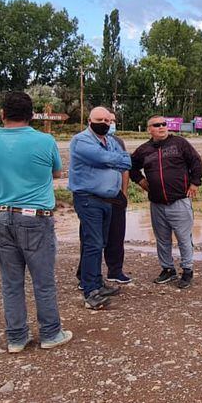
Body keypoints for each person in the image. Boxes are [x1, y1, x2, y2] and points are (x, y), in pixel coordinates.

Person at [0, 91, 72, 353]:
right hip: (35, 216)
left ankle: (16, 337)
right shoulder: (45, 140)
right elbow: (56, 172)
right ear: (31, 115)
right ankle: (51, 333)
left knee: (11, 281)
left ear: (2, 114)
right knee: (43, 279)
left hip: (2, 214)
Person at [130, 115, 202, 289]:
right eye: (157, 125)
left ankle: (187, 270)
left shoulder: (180, 143)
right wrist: (140, 180)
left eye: (164, 124)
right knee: (162, 239)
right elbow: (131, 167)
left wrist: (194, 183)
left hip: (179, 201)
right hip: (157, 204)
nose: (162, 127)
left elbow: (196, 162)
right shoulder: (144, 150)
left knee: (184, 238)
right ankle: (168, 269)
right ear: (149, 129)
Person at [69, 106, 130, 309]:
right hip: (89, 199)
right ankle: (90, 291)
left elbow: (126, 162)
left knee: (100, 243)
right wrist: (112, 160)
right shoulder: (81, 140)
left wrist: (113, 161)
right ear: (89, 120)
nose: (104, 123)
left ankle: (96, 282)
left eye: (107, 120)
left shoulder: (111, 141)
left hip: (107, 200)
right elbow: (103, 158)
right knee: (93, 244)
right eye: (100, 120)